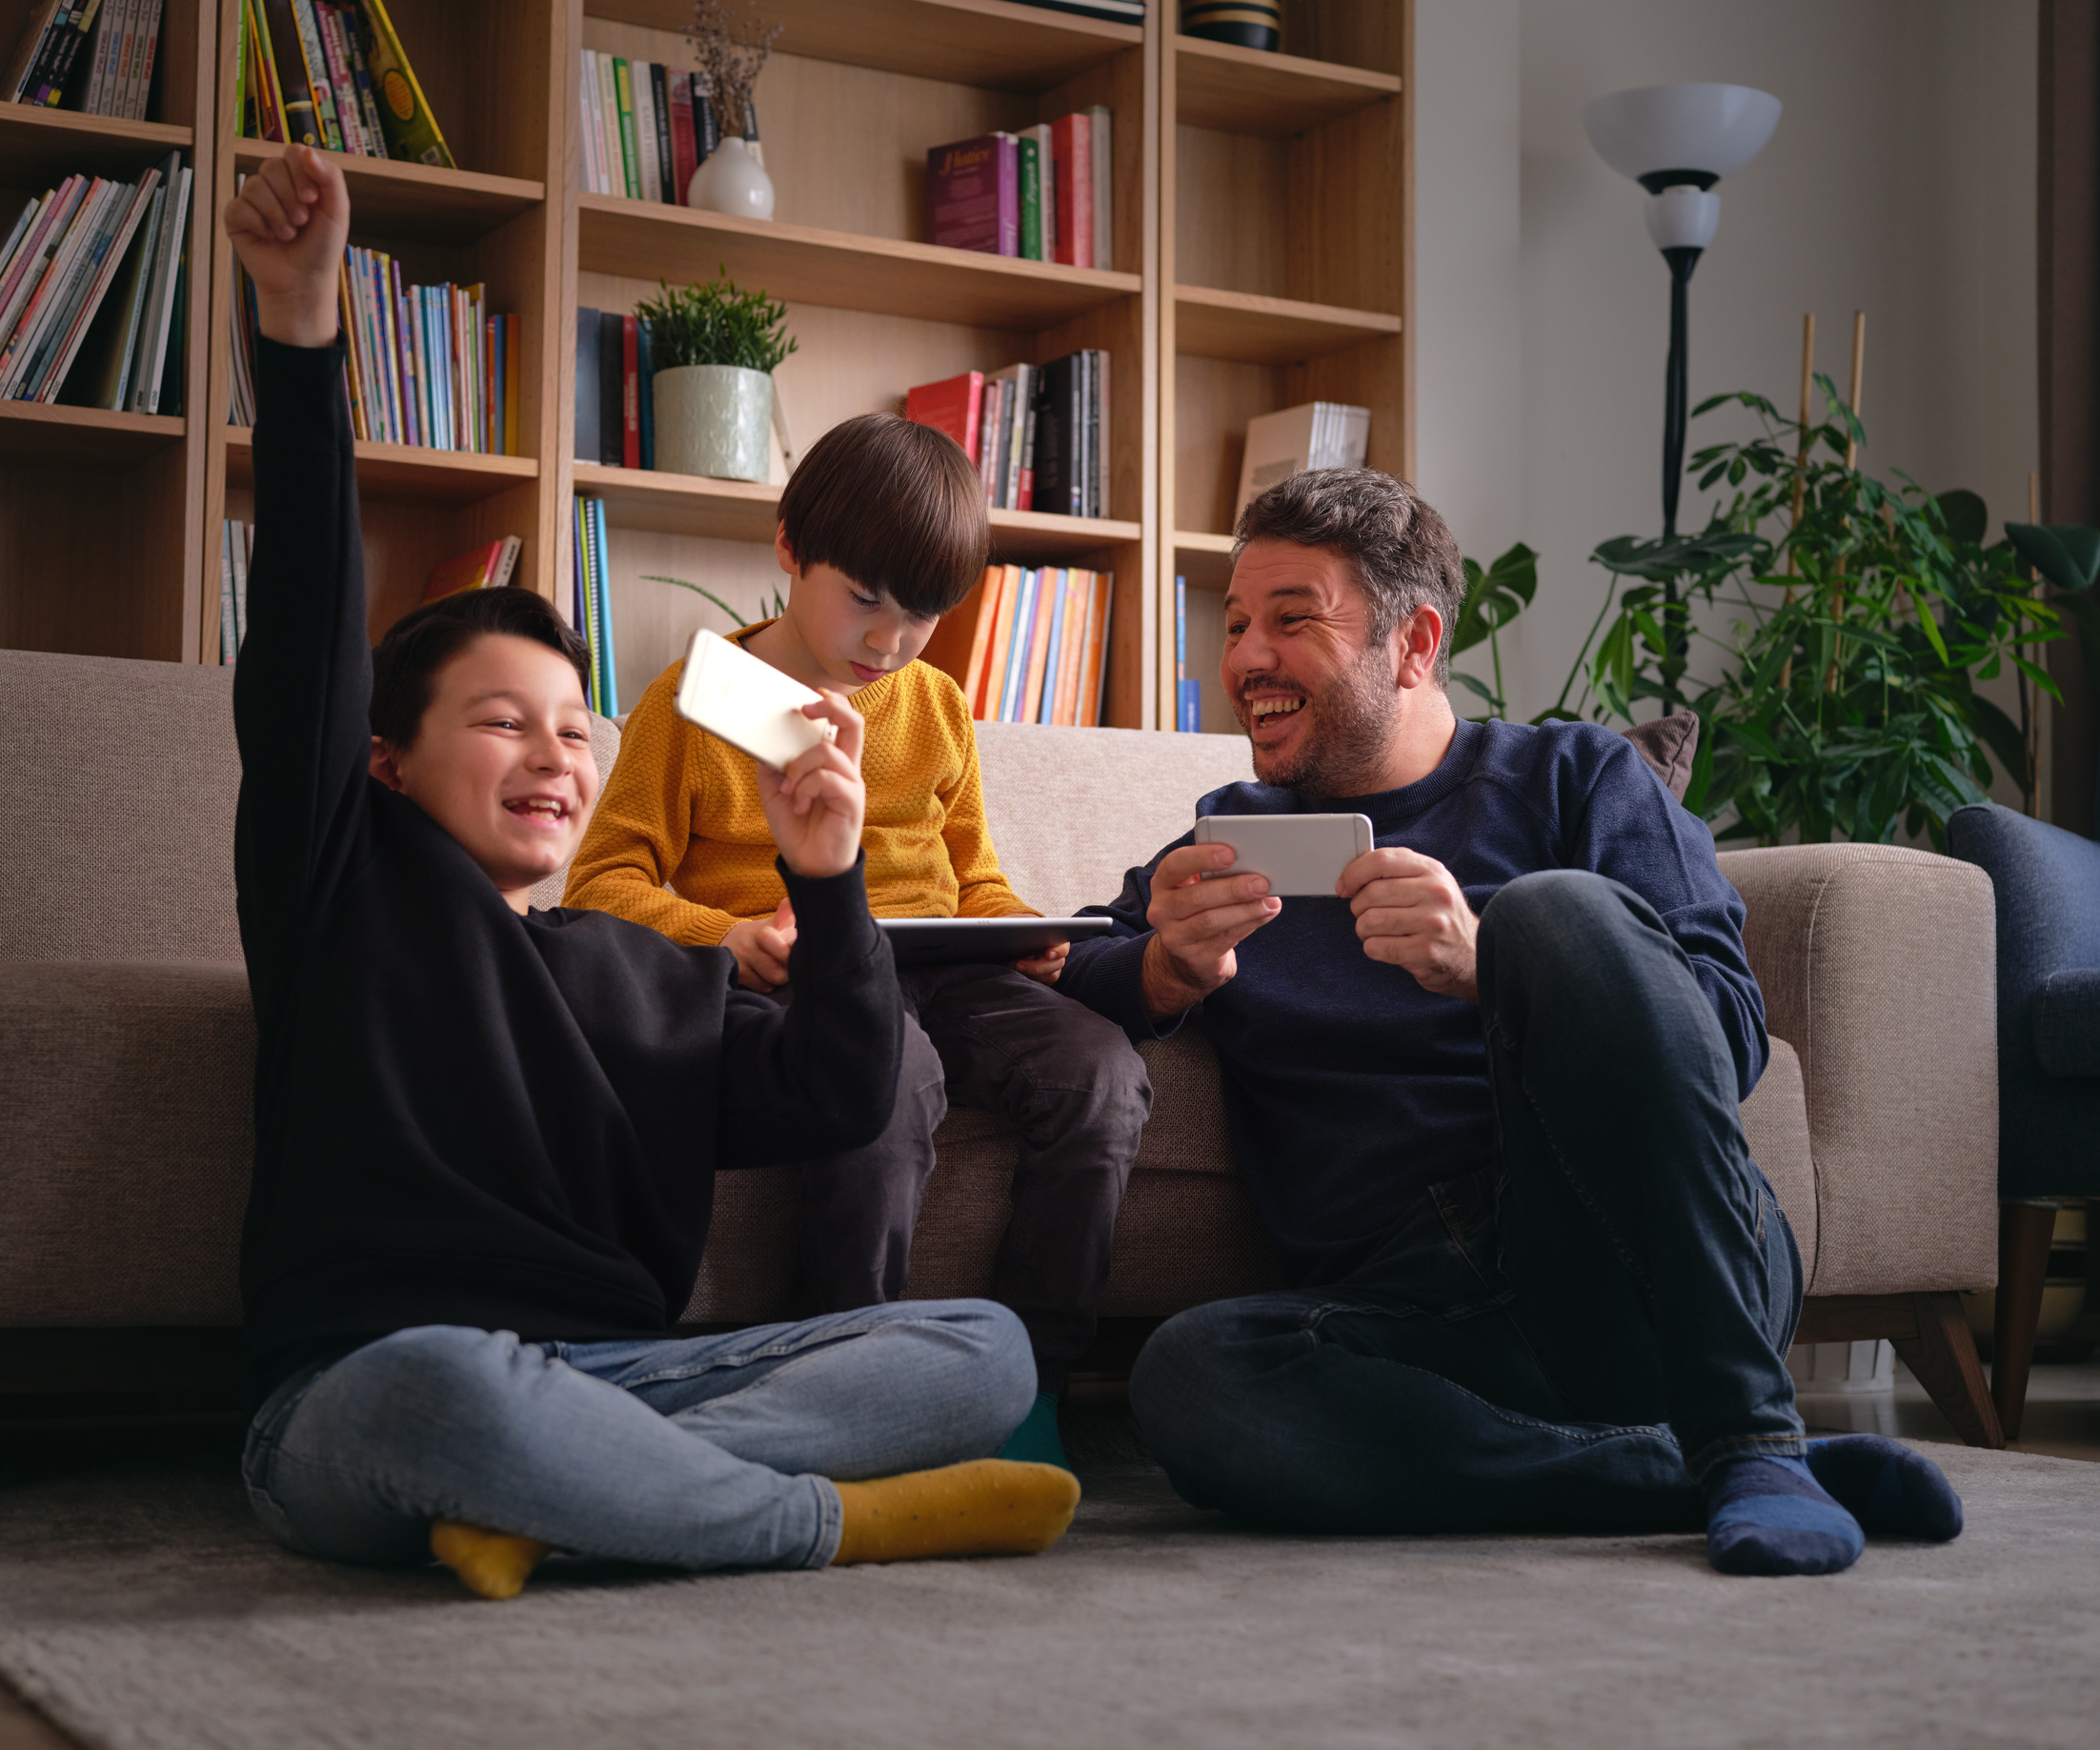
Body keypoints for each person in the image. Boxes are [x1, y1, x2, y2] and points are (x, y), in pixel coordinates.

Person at [222, 145, 1078, 1601]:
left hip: (633, 1373)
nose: (554, 754)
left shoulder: (637, 968)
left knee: (980, 1349)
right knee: (445, 1388)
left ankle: (570, 1500)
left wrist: (826, 883)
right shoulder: (338, 891)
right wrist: (302, 336)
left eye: (573, 724)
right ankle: (812, 1521)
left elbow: (840, 1092)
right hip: (370, 1383)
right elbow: (303, 624)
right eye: (501, 723)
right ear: (383, 762)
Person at [1059, 468, 1965, 1577]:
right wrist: (1160, 968)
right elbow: (1068, 966)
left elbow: (1726, 1033)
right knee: (1189, 1380)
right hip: (1420, 1318)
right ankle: (1685, 1467)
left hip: (1639, 1255)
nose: (1245, 657)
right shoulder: (1224, 841)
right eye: (1236, 623)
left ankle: (1747, 1430)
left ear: (1413, 641)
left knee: (1554, 912)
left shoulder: (1576, 777)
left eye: (1291, 620)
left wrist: (1490, 968)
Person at [566, 415, 1149, 1468]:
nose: (888, 641)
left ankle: (1032, 1376)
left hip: (941, 964)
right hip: (806, 973)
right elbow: (600, 884)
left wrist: (1017, 931)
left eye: (923, 613)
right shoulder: (695, 702)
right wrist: (726, 934)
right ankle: (843, 1371)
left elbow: (969, 872)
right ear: (790, 549)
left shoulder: (933, 704)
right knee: (883, 1079)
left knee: (1099, 1072)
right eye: (865, 598)